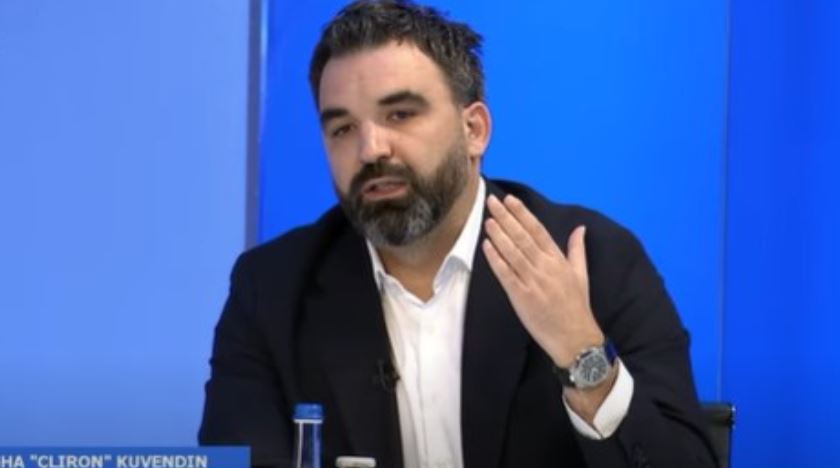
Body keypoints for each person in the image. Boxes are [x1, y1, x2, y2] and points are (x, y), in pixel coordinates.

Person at [199, 1, 717, 467]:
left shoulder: (592, 260)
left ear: (474, 130)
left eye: (400, 114)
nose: (370, 149)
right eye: (343, 128)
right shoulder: (272, 289)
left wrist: (583, 358)